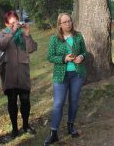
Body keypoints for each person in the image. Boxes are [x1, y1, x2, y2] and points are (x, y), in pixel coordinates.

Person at [44, 13, 87, 146]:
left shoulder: (78, 36)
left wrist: (81, 57)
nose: (68, 23)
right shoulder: (54, 39)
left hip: (77, 74)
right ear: (60, 25)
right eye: (65, 22)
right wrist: (64, 59)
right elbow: (50, 57)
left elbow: (84, 51)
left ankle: (70, 127)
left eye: (69, 21)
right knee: (58, 103)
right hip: (60, 75)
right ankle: (53, 133)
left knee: (73, 101)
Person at [0, 11, 37, 138]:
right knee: (12, 102)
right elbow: (1, 45)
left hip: (23, 73)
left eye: (16, 22)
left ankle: (25, 125)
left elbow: (32, 48)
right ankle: (14, 128)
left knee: (25, 101)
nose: (15, 25)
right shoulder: (1, 34)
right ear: (6, 23)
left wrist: (28, 34)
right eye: (12, 23)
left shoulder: (23, 34)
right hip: (9, 75)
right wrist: (12, 32)